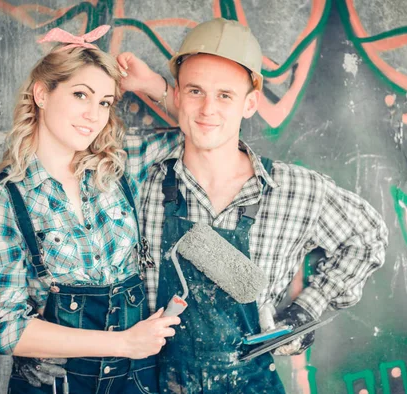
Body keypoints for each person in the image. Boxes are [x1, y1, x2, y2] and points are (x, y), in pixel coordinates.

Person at [117, 18, 389, 393]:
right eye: (195, 91)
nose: (208, 108)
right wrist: (148, 85)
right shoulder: (139, 172)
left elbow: (368, 238)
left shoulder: (295, 191)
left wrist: (306, 308)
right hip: (154, 382)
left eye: (225, 96)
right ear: (177, 96)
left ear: (250, 104)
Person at [0, 26, 181, 394]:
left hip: (136, 380)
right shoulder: (2, 198)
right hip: (60, 384)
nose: (93, 114)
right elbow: (5, 330)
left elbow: (201, 129)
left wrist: (151, 86)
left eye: (104, 102)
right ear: (42, 94)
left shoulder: (118, 166)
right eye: (80, 94)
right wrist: (123, 343)